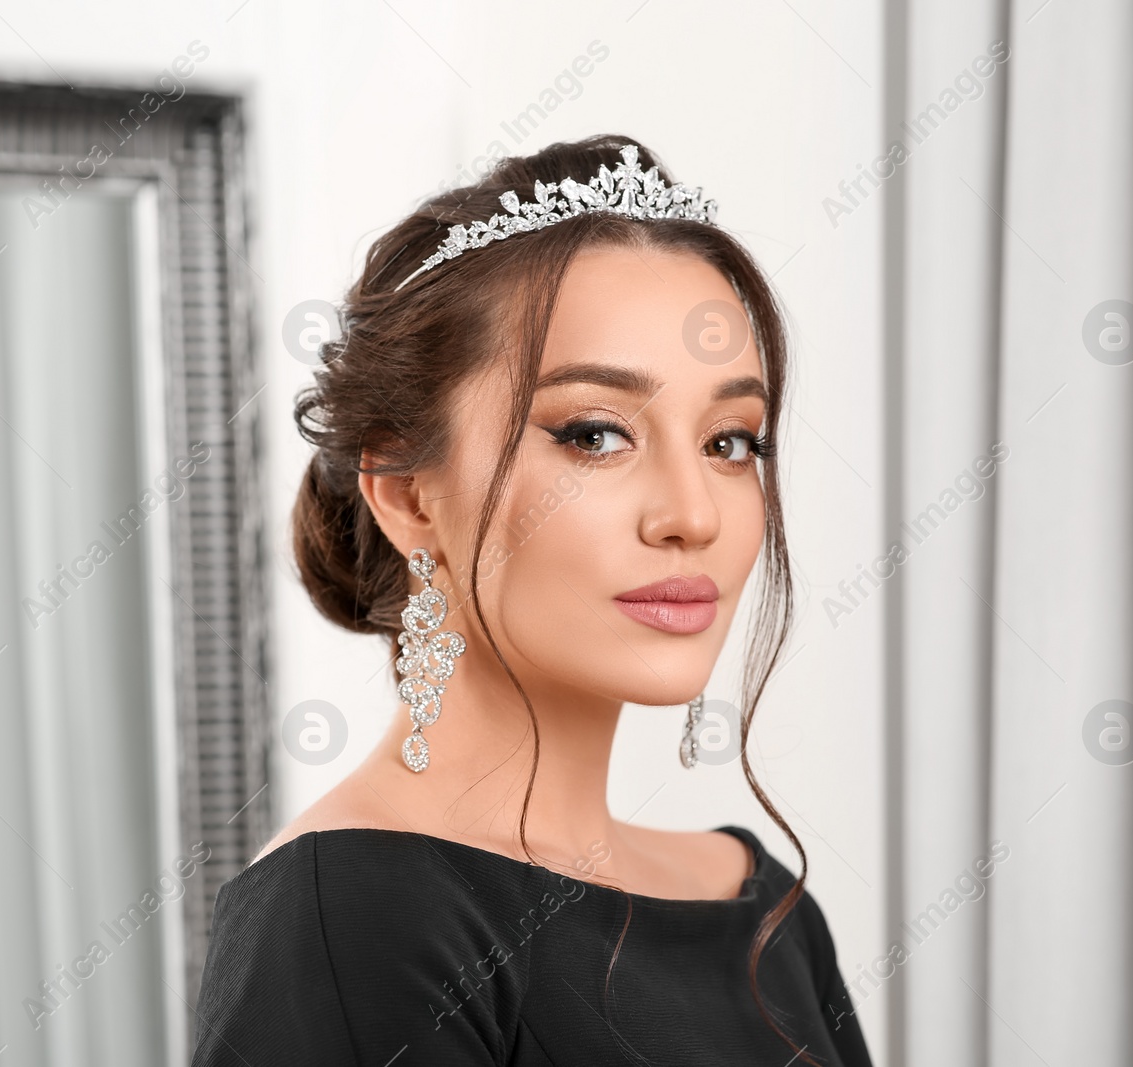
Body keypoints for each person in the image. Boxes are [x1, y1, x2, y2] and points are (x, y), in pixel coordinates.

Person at [190, 134, 874, 1066]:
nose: (691, 514)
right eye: (595, 434)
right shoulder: (351, 918)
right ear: (405, 489)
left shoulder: (760, 906)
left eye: (730, 441)